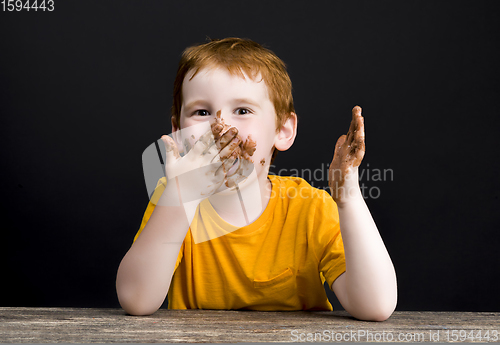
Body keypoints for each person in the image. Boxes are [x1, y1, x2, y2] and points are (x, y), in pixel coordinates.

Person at [116, 37, 397, 321]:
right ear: (178, 132)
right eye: (202, 112)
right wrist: (179, 196)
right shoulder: (173, 199)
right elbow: (136, 300)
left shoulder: (310, 208)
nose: (220, 126)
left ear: (282, 130)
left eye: (243, 111)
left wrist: (349, 198)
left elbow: (375, 306)